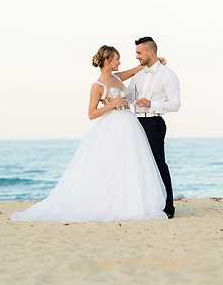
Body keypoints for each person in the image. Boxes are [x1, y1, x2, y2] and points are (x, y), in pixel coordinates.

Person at [10, 45, 168, 222]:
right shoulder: (97, 86)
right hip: (113, 125)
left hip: (129, 125)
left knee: (129, 164)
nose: (120, 62)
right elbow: (91, 114)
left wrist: (155, 63)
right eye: (117, 59)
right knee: (111, 164)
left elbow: (134, 71)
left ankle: (129, 201)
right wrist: (110, 105)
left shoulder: (117, 77)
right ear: (108, 61)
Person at [127, 36, 180, 219]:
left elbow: (175, 104)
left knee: (158, 164)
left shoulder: (168, 75)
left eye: (139, 53)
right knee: (139, 165)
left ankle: (168, 207)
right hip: (135, 123)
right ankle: (146, 204)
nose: (137, 56)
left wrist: (152, 104)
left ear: (150, 52)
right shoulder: (138, 75)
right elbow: (128, 96)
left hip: (154, 123)